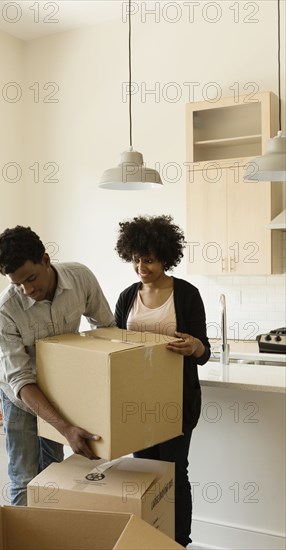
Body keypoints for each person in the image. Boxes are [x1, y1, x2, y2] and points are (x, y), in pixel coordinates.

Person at [0, 226, 115, 506]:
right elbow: (21, 380)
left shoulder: (80, 278)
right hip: (20, 396)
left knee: (54, 471)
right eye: (17, 284)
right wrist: (66, 427)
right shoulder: (4, 309)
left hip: (58, 388)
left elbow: (106, 329)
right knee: (24, 478)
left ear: (46, 260)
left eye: (32, 279)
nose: (27, 290)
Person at [114, 215, 210, 548]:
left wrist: (194, 346)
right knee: (145, 473)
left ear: (165, 258)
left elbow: (203, 349)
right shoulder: (127, 297)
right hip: (137, 403)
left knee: (173, 471)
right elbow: (114, 348)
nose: (142, 266)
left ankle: (180, 542)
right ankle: (150, 538)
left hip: (176, 401)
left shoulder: (186, 295)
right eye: (137, 259)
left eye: (150, 260)